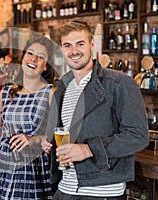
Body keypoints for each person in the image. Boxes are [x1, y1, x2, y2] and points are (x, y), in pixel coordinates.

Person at [41, 20, 149, 200]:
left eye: (80, 44)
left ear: (92, 45)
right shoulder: (63, 86)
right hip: (64, 191)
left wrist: (88, 149)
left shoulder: (118, 82)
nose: (74, 51)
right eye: (67, 45)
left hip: (102, 193)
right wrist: (49, 143)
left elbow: (138, 136)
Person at [0, 35, 56, 199]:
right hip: (0, 166)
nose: (33, 59)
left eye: (40, 57)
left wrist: (33, 139)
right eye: (30, 53)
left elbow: (57, 134)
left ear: (46, 66)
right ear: (23, 58)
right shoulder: (6, 93)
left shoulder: (50, 93)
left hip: (32, 167)